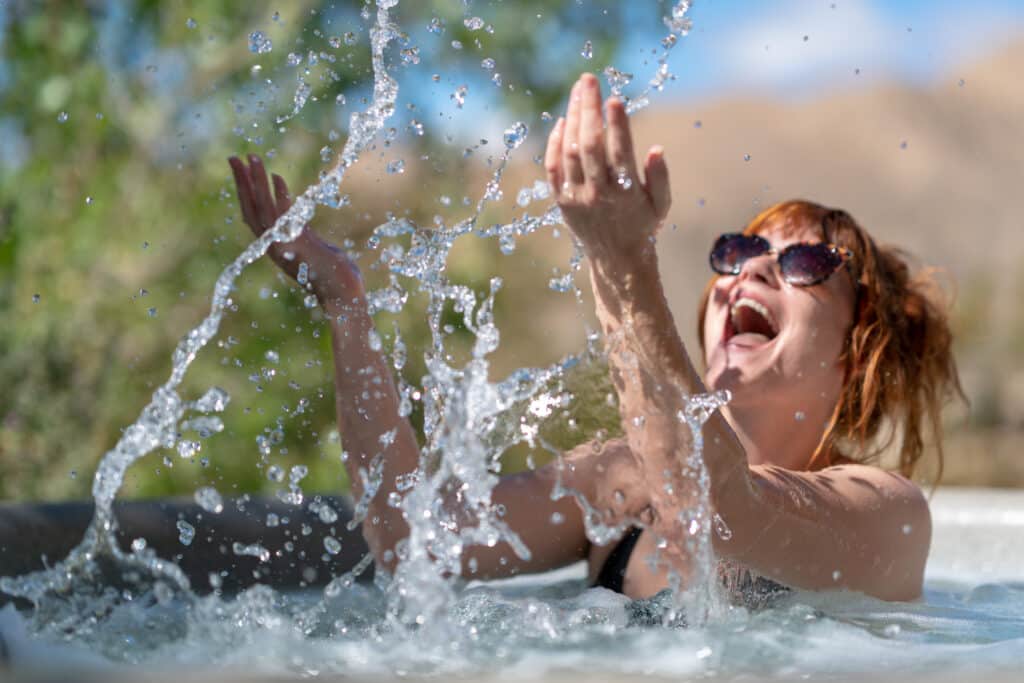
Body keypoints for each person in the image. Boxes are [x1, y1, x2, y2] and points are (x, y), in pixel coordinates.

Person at [228, 72, 962, 605]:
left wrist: (620, 261)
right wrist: (346, 309)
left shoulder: (885, 512)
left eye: (802, 263)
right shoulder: (619, 476)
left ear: (861, 346)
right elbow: (413, 541)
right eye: (736, 252)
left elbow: (722, 508)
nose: (751, 272)